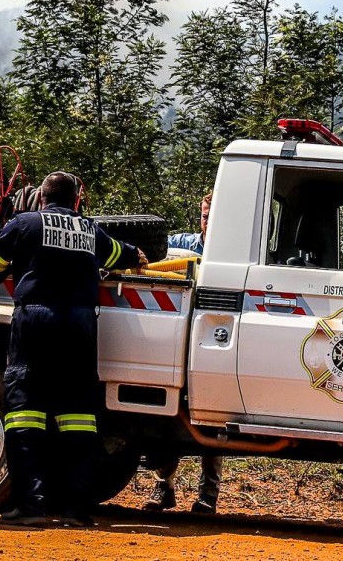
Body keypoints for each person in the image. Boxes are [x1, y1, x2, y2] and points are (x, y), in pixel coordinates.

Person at [0, 172, 145, 527]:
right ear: (76, 201)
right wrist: (137, 254)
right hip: (80, 326)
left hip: (36, 321)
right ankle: (76, 510)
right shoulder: (89, 230)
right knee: (79, 417)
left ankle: (30, 507)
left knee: (25, 414)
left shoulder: (25, 223)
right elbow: (120, 253)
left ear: (40, 198)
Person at [144, 193, 222, 514]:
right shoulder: (181, 245)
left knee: (214, 422)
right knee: (165, 417)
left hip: (212, 347)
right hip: (175, 343)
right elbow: (151, 256)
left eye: (212, 215)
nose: (206, 221)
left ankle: (209, 495)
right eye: (204, 214)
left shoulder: (228, 254)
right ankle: (164, 487)